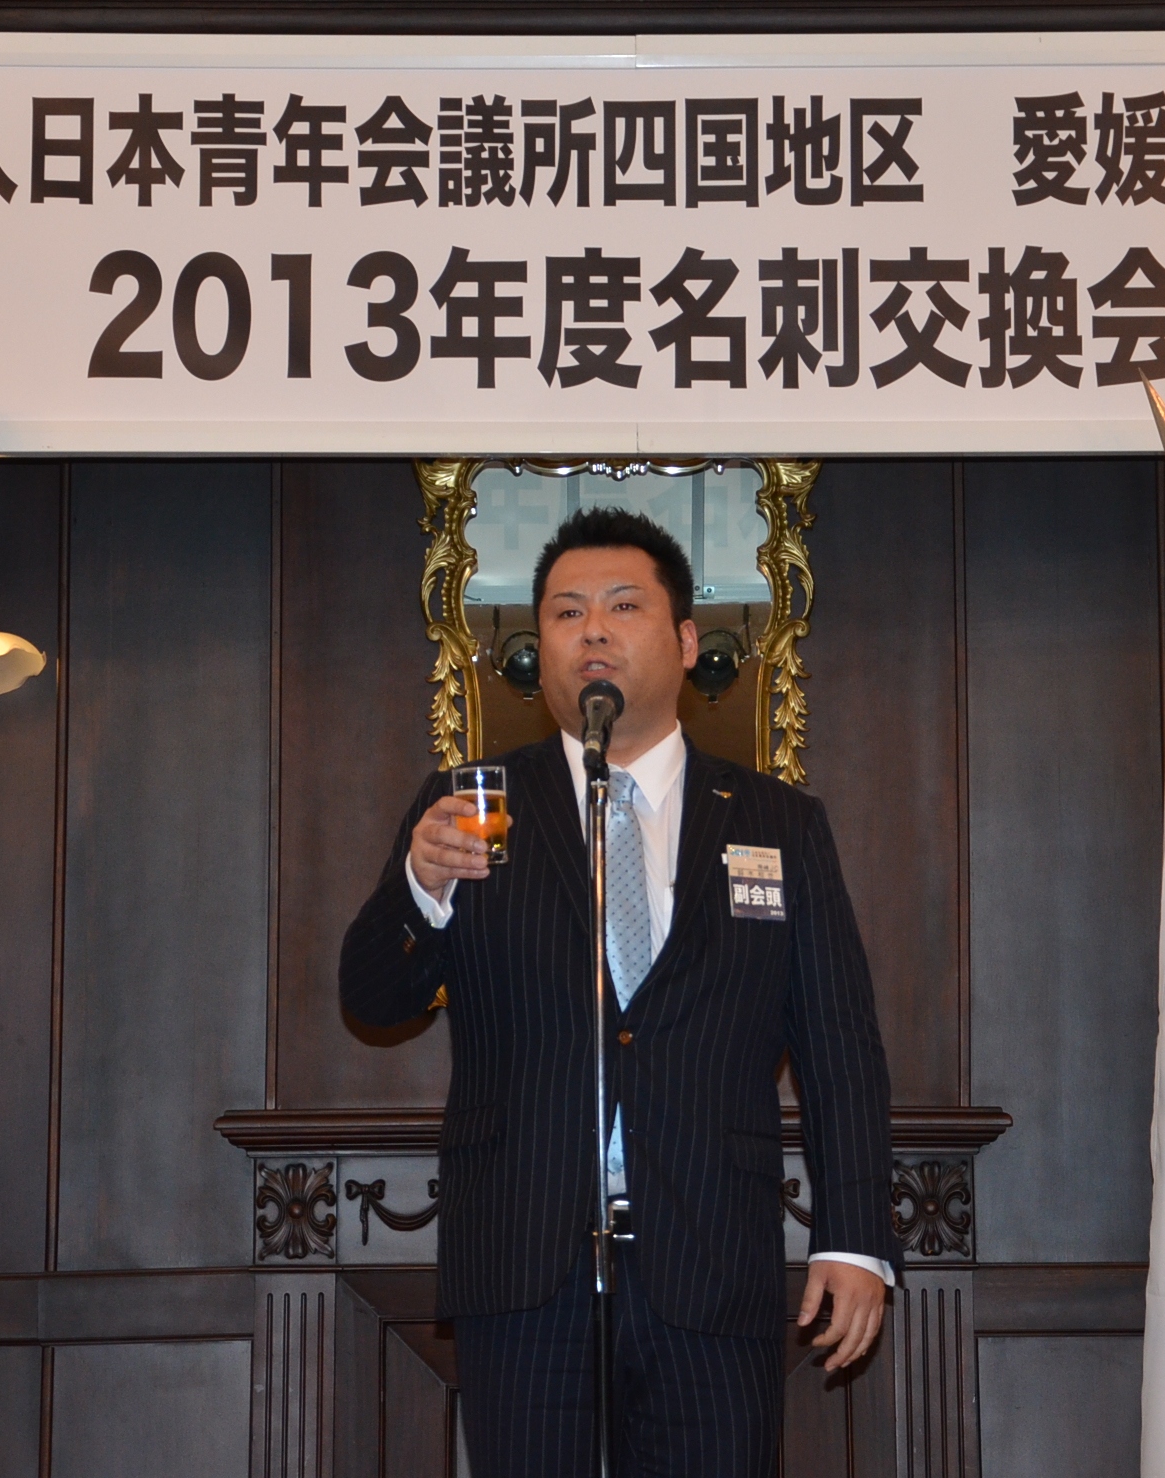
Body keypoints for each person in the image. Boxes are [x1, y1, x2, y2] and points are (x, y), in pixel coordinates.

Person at [340, 505, 898, 1476]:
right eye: (565, 613)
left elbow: (840, 1050)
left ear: (684, 641)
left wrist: (853, 1241)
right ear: (539, 650)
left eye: (622, 606)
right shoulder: (469, 807)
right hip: (524, 1261)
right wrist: (422, 888)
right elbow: (374, 998)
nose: (591, 630)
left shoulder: (777, 824)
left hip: (709, 1261)